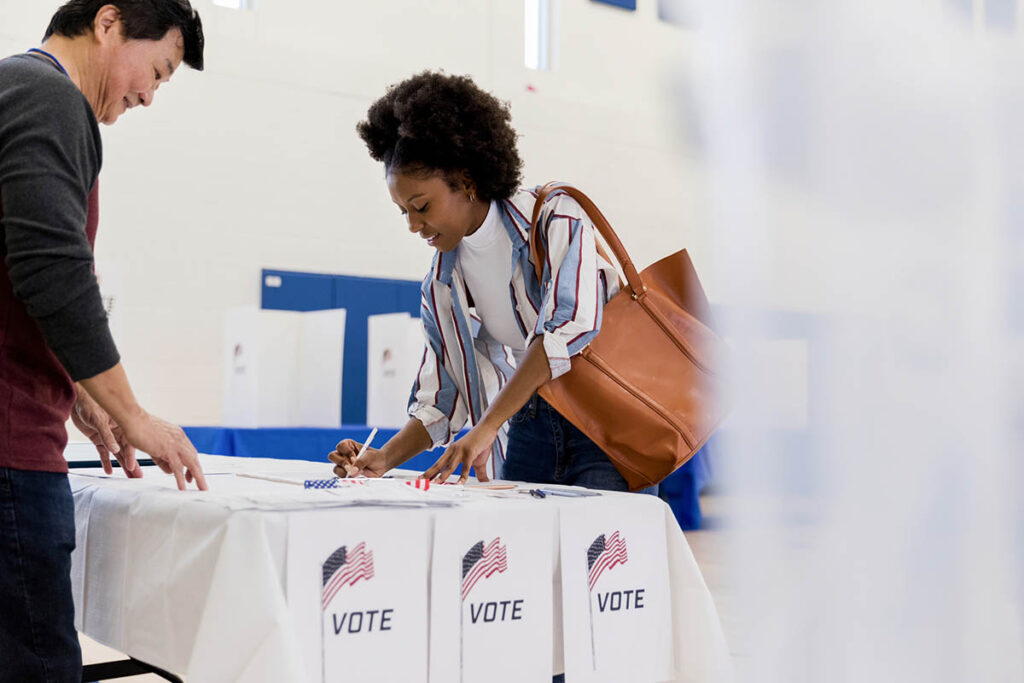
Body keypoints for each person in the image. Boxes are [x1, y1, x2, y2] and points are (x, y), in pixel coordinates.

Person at [0, 1, 208, 680]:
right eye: (157, 70)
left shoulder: (15, 91)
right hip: (11, 452)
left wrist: (81, 397)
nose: (149, 95)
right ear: (109, 23)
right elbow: (52, 273)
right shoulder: (50, 98)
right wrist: (131, 412)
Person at [332, 71, 656, 497]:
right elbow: (442, 399)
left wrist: (486, 428)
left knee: (605, 558)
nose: (413, 225)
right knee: (525, 558)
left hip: (605, 423)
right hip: (529, 429)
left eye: (421, 206)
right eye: (403, 212)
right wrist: (381, 458)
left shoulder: (556, 217)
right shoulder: (441, 285)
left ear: (467, 180)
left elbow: (565, 330)